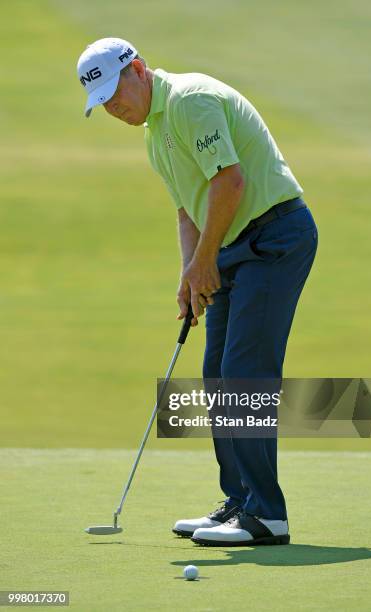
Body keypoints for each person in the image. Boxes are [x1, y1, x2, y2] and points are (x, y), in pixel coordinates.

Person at [77, 37, 318, 546]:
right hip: (233, 244)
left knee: (244, 372)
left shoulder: (190, 101)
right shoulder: (153, 134)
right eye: (102, 106)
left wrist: (206, 261)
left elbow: (229, 182)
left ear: (137, 70)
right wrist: (191, 272)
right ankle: (240, 502)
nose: (113, 109)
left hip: (274, 237)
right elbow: (189, 207)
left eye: (114, 95)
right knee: (217, 372)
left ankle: (267, 515)